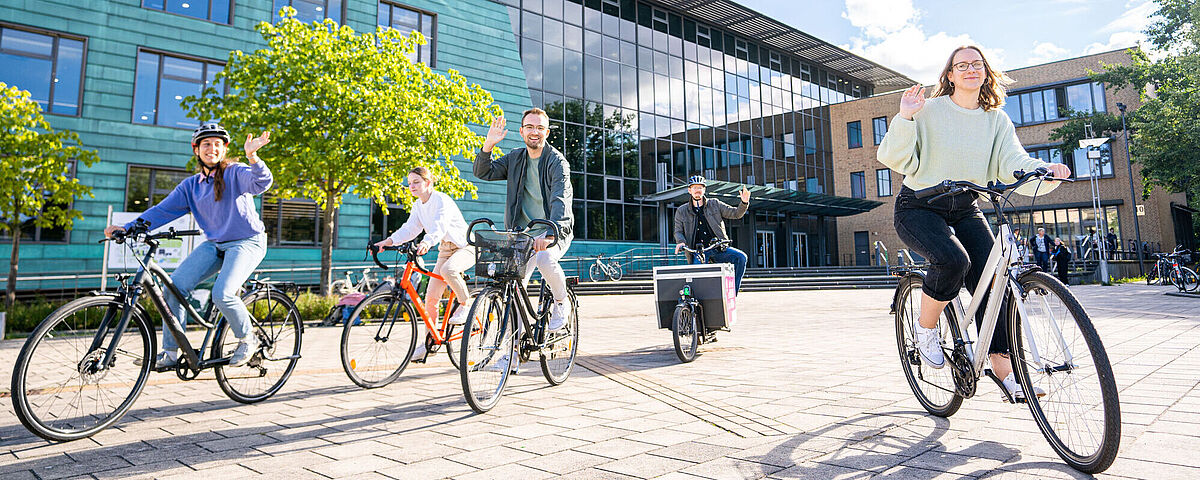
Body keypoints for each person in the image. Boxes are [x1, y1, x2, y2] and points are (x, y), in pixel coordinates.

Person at [878, 45, 1071, 400]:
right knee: (953, 260)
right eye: (961, 65)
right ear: (949, 75)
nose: (970, 69)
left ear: (985, 72)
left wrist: (1043, 170)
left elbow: (1013, 160)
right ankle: (926, 328)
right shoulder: (928, 110)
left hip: (966, 206)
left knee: (995, 278)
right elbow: (893, 157)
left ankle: (1005, 371)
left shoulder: (995, 119)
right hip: (919, 205)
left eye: (977, 64)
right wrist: (905, 117)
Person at [104, 123, 273, 369]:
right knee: (173, 288)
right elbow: (162, 211)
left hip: (247, 242)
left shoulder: (235, 172)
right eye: (206, 144)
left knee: (222, 293)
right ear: (196, 149)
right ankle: (172, 353)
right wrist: (129, 227)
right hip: (215, 244)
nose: (212, 148)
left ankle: (249, 339)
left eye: (217, 144)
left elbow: (261, 183)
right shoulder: (190, 186)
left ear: (224, 149)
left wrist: (253, 156)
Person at [474, 107, 574, 332]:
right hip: (521, 234)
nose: (534, 132)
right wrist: (488, 144)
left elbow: (561, 199)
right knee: (513, 289)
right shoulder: (515, 158)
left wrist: (551, 234)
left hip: (552, 230)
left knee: (545, 259)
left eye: (540, 127)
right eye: (529, 127)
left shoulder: (557, 162)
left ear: (547, 132)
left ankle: (561, 301)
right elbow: (484, 172)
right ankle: (514, 351)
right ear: (521, 131)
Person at [373, 167, 474, 361]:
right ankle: (430, 341)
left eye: (416, 182)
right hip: (445, 249)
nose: (411, 186)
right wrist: (389, 241)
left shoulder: (441, 200)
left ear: (428, 183)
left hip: (465, 247)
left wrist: (427, 241)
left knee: (448, 270)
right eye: (409, 183)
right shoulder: (419, 205)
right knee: (431, 298)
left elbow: (440, 225)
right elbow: (410, 228)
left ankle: (465, 303)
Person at [672, 175, 750, 293]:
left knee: (741, 257)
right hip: (698, 251)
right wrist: (681, 242)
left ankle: (731, 294)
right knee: (696, 279)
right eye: (694, 187)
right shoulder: (682, 211)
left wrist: (744, 202)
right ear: (689, 190)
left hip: (718, 248)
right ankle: (694, 305)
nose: (697, 190)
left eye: (700, 187)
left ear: (704, 190)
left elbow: (735, 214)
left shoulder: (715, 204)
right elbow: (678, 231)